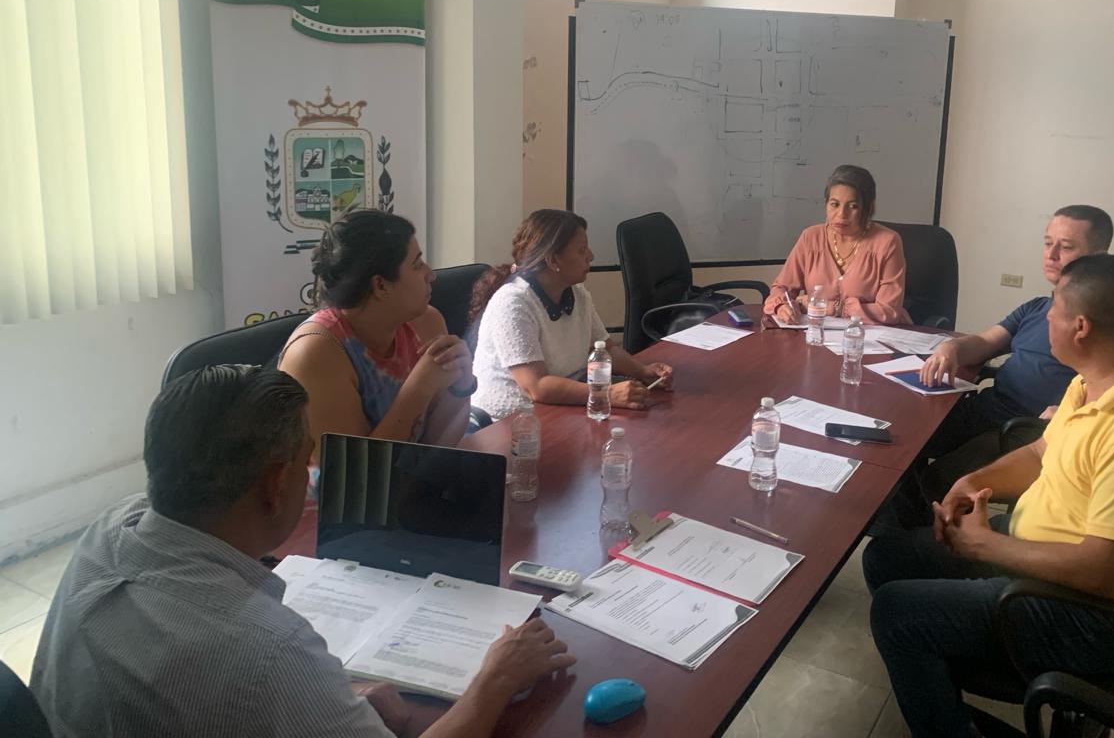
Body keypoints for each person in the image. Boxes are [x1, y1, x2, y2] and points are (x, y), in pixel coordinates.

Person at [30, 365, 575, 737]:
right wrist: (494, 681)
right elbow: (255, 672)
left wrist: (330, 697)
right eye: (306, 462)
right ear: (275, 484)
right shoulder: (270, 651)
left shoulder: (108, 529)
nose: (312, 477)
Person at [863, 254, 1114, 738]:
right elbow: (1041, 451)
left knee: (897, 614)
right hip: (1044, 554)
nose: (1045, 320)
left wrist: (987, 545)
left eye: (1054, 310)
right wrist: (973, 482)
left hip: (1099, 617)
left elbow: (1102, 572)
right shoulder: (1094, 380)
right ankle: (944, 676)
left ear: (1081, 327)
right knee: (886, 557)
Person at [909, 205, 1114, 506]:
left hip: (1028, 430)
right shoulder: (1036, 307)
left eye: (1065, 247)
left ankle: (927, 528)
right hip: (988, 407)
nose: (1051, 255)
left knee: (938, 480)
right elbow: (986, 341)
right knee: (907, 442)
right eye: (1047, 243)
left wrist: (1073, 413)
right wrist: (951, 347)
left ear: (1098, 257)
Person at [278, 209, 473, 459]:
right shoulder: (316, 354)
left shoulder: (426, 322)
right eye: (417, 265)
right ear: (380, 285)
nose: (431, 274)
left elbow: (437, 447)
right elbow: (352, 475)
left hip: (407, 478)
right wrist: (418, 390)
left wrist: (461, 385)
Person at [469, 209, 672, 422]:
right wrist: (605, 393)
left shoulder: (576, 292)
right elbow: (536, 386)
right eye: (581, 250)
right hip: (510, 421)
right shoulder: (513, 302)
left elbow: (603, 349)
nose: (590, 256)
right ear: (553, 260)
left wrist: (643, 371)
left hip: (562, 407)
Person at [763, 164, 909, 325]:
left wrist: (832, 308)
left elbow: (889, 311)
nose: (841, 214)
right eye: (834, 204)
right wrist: (782, 306)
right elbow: (781, 288)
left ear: (868, 209)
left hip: (872, 335)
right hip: (819, 334)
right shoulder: (811, 237)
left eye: (853, 206)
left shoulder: (888, 242)